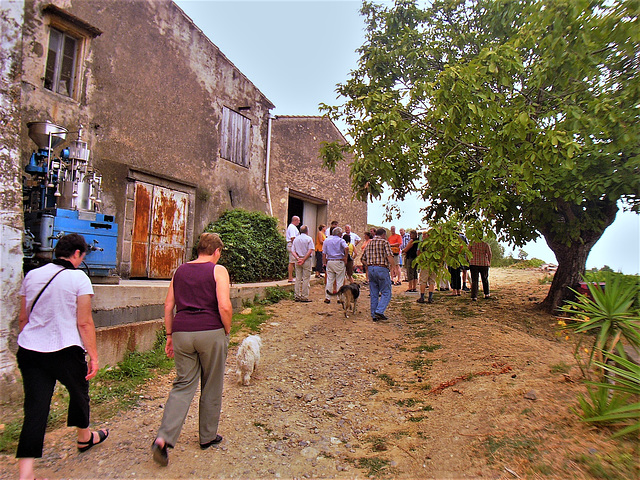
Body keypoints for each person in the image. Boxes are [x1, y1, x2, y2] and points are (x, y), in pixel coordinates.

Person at [16, 233, 109, 480]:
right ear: (77, 254)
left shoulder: (32, 275)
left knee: (35, 410)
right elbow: (85, 323)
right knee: (79, 394)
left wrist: (34, 338)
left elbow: (23, 318)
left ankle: (26, 473)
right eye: (82, 256)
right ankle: (84, 437)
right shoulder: (79, 278)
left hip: (30, 351)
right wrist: (94, 355)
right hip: (66, 350)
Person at [152, 232, 232, 466]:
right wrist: (226, 330)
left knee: (183, 385)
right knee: (211, 383)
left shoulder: (180, 271)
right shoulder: (218, 270)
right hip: (210, 330)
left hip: (182, 331)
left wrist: (169, 336)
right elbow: (224, 305)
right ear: (216, 251)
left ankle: (163, 438)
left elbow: (168, 306)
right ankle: (207, 436)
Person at [361, 228, 395, 321]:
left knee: (374, 293)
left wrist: (368, 265)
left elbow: (362, 258)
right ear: (383, 235)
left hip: (371, 268)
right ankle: (379, 311)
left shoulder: (369, 244)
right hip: (382, 268)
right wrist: (393, 267)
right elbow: (389, 256)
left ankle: (374, 315)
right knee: (386, 291)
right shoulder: (384, 243)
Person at [322, 227, 348, 304]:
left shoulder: (327, 240)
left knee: (329, 280)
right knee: (339, 280)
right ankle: (339, 298)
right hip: (339, 261)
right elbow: (346, 248)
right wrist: (345, 257)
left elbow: (324, 253)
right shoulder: (341, 240)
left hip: (330, 261)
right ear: (339, 233)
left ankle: (327, 297)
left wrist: (324, 262)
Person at [292, 225, 315, 302]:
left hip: (298, 259)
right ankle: (304, 296)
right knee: (306, 278)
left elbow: (293, 251)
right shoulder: (309, 239)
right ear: (307, 231)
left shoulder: (296, 239)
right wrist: (304, 259)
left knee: (298, 278)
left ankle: (297, 295)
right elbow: (310, 250)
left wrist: (298, 258)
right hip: (306, 259)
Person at [286, 216, 301, 282]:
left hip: (292, 245)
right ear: (295, 220)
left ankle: (296, 276)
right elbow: (293, 238)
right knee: (292, 262)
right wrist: (297, 246)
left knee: (294, 261)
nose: (299, 222)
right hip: (292, 245)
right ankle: (290, 278)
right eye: (298, 220)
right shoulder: (292, 227)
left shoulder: (292, 227)